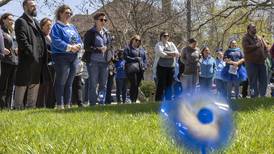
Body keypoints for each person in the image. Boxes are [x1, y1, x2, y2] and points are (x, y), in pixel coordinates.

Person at [14, 0, 50, 109]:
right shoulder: (21, 21)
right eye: (32, 5)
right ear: (25, 7)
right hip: (27, 59)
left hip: (38, 60)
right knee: (22, 84)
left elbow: (41, 40)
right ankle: (18, 107)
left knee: (34, 83)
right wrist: (32, 54)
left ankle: (31, 107)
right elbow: (22, 41)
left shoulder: (36, 21)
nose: (35, 7)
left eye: (35, 5)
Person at [51, 5, 82, 109]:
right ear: (60, 14)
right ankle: (60, 104)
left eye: (70, 13)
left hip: (73, 57)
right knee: (61, 81)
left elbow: (79, 40)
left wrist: (79, 46)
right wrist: (69, 47)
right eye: (66, 13)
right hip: (61, 57)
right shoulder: (56, 27)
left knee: (69, 82)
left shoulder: (72, 27)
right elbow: (56, 41)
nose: (69, 15)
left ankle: (67, 105)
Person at [83, 12, 112, 105]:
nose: (103, 21)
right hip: (93, 62)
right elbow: (86, 47)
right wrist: (98, 49)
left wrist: (111, 56)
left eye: (105, 20)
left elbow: (110, 46)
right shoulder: (90, 32)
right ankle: (93, 103)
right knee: (93, 83)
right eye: (101, 20)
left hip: (105, 62)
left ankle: (101, 103)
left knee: (103, 84)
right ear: (96, 21)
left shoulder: (107, 33)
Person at [242, 23, 268, 98]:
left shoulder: (259, 38)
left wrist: (265, 56)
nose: (255, 29)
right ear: (248, 29)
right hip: (251, 63)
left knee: (264, 80)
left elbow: (266, 48)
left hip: (261, 62)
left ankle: (262, 96)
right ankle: (254, 97)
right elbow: (246, 48)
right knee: (253, 81)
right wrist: (256, 46)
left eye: (255, 27)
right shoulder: (245, 38)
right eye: (253, 28)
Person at [154, 32, 179, 101]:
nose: (166, 37)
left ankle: (169, 100)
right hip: (161, 67)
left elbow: (177, 53)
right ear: (161, 37)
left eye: (168, 36)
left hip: (171, 67)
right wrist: (171, 54)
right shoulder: (158, 44)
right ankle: (158, 101)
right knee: (161, 85)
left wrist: (167, 53)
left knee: (169, 85)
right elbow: (161, 54)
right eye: (164, 36)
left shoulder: (171, 44)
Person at [36, 17, 55, 108]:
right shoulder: (40, 37)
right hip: (43, 65)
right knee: (43, 86)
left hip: (52, 65)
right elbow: (43, 50)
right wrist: (55, 54)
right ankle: (40, 105)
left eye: (50, 25)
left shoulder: (51, 37)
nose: (49, 27)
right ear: (42, 26)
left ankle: (50, 105)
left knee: (51, 86)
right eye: (47, 25)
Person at [0, 13, 18, 108]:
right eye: (10, 19)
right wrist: (2, 50)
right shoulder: (1, 31)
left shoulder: (12, 32)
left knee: (11, 86)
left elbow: (15, 44)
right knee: (3, 85)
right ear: (3, 20)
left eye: (12, 20)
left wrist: (17, 49)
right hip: (4, 61)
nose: (12, 21)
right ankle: (2, 106)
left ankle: (7, 107)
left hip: (14, 61)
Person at [124, 35, 147, 103]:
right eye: (136, 40)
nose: (137, 42)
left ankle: (134, 99)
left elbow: (145, 59)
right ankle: (132, 99)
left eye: (139, 40)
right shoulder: (128, 48)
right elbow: (125, 57)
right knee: (133, 83)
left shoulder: (142, 49)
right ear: (132, 40)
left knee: (137, 85)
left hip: (140, 69)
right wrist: (135, 59)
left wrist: (145, 66)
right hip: (132, 69)